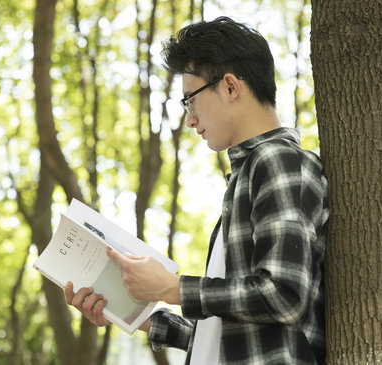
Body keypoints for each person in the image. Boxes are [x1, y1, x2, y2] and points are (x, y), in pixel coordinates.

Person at [65, 16, 328, 365]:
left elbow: (284, 295)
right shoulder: (249, 173)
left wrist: (171, 288)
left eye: (190, 100)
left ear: (231, 87)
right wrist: (135, 314)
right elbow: (233, 337)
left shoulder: (278, 160)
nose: (189, 119)